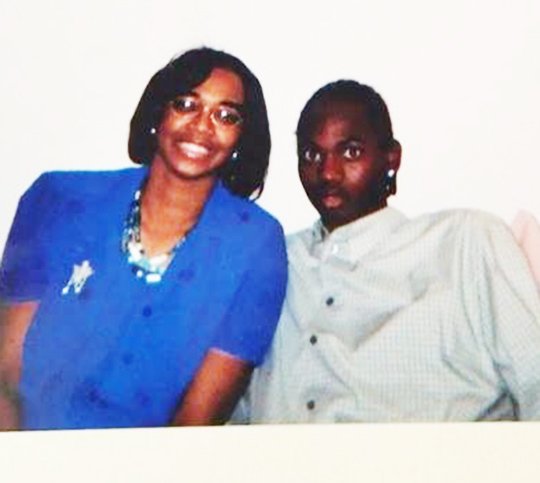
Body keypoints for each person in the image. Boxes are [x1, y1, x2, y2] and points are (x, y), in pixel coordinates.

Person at [0, 47, 287, 430]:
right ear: (158, 115)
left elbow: (196, 421)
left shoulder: (256, 244)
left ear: (241, 139)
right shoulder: (57, 200)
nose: (202, 126)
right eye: (186, 104)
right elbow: (6, 374)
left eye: (226, 115)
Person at [243, 80, 540, 422]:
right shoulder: (274, 259)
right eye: (312, 155)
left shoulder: (465, 242)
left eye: (350, 151)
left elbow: (533, 374)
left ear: (391, 158)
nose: (327, 172)